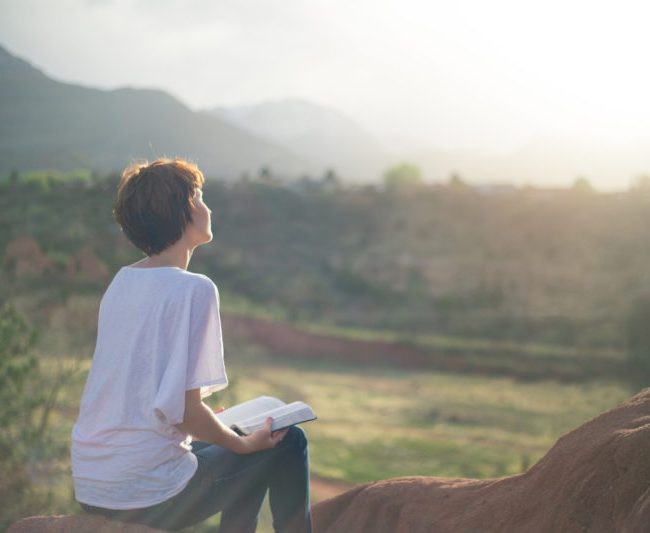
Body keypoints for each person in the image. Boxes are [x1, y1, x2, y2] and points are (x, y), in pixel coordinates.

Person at [70, 158, 312, 533]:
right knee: (286, 440)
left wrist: (226, 434)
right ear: (181, 210)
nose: (207, 207)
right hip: (146, 494)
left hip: (94, 482)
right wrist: (242, 446)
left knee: (241, 441)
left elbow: (147, 395)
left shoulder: (121, 283)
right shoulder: (194, 288)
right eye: (199, 197)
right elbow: (184, 409)